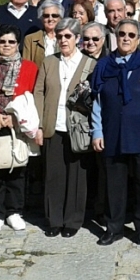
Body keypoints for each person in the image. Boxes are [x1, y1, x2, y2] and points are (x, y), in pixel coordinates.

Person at [91, 19, 140, 246]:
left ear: (138, 39)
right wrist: (97, 131)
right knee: (114, 185)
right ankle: (114, 227)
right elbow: (97, 100)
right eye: (121, 34)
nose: (125, 38)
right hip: (113, 132)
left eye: (131, 35)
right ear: (115, 36)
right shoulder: (104, 64)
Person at [34, 18, 96, 238]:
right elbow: (39, 92)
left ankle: (72, 220)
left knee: (77, 176)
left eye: (68, 36)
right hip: (53, 125)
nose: (63, 40)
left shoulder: (89, 64)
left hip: (77, 129)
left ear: (77, 38)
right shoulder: (49, 62)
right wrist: (39, 125)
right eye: (59, 36)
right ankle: (54, 219)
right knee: (53, 176)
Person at [0, 25, 38, 234]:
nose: (7, 46)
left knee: (16, 170)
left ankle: (14, 211)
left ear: (17, 44)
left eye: (11, 42)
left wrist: (13, 117)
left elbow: (30, 96)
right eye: (3, 42)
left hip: (16, 125)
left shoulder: (29, 67)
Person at [22, 0, 64, 68]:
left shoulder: (67, 38)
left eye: (54, 15)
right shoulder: (30, 39)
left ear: (60, 18)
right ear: (41, 18)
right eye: (46, 15)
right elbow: (26, 67)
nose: (50, 19)